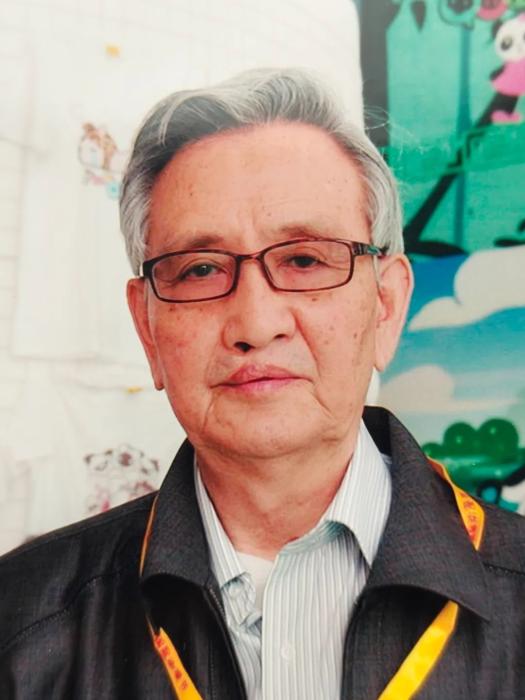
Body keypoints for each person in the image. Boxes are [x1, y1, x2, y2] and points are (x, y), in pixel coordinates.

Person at [1, 68, 524, 700]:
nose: (254, 323)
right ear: (148, 329)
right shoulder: (20, 621)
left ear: (385, 307)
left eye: (304, 259)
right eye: (200, 270)